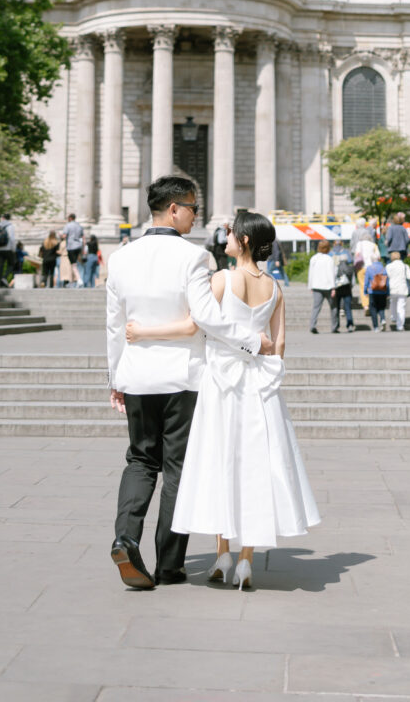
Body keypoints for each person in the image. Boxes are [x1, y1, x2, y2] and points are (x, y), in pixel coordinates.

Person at [126, 208, 319, 591]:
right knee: (254, 466)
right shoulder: (276, 287)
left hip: (221, 383)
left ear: (243, 240)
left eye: (229, 232)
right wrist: (264, 367)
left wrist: (143, 331)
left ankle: (221, 554)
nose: (224, 237)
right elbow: (278, 344)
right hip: (259, 386)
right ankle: (246, 560)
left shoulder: (222, 279)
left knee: (219, 460)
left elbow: (196, 324)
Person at [104, 175, 275, 590]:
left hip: (138, 375)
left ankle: (126, 537)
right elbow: (207, 317)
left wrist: (116, 376)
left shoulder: (121, 257)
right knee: (179, 468)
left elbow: (114, 325)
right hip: (183, 377)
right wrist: (254, 341)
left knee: (141, 460)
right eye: (194, 208)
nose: (197, 216)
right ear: (175, 209)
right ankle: (169, 564)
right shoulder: (195, 257)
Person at [307, 239, 339, 334]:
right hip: (328, 286)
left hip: (316, 286)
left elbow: (310, 273)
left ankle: (312, 325)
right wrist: (334, 287)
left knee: (316, 307)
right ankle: (334, 326)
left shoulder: (314, 258)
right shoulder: (329, 259)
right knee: (333, 307)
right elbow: (331, 274)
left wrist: (310, 286)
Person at [385, 250, 410, 331]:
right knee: (401, 307)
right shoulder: (404, 266)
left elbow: (386, 276)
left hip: (392, 288)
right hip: (402, 288)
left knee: (392, 303)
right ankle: (400, 326)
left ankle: (394, 317)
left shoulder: (388, 266)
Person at [354, 227, 380, 311]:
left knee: (362, 286)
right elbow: (378, 257)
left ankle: (366, 305)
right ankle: (373, 303)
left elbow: (357, 254)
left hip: (361, 267)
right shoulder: (374, 245)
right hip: (372, 268)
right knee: (372, 286)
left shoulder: (359, 244)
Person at [363, 253, 389, 330]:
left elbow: (366, 281)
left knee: (373, 308)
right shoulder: (384, 268)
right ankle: (383, 319)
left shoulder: (369, 268)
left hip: (372, 291)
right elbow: (387, 281)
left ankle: (376, 327)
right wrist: (388, 292)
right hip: (382, 291)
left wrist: (365, 291)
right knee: (381, 307)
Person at [333, 242, 356, 332]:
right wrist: (351, 286)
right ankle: (349, 324)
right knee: (348, 307)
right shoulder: (349, 267)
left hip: (337, 287)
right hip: (347, 288)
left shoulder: (335, 266)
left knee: (337, 307)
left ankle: (336, 325)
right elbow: (353, 279)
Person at [0, 213, 17, 288]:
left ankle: (0, 281)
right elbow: (12, 238)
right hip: (8, 248)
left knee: (0, 265)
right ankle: (4, 277)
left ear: (3, 218)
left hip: (0, 248)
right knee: (12, 264)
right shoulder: (10, 226)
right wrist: (14, 249)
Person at [63, 213, 85, 286]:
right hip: (78, 246)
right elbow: (83, 238)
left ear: (70, 218)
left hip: (71, 246)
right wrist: (83, 249)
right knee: (77, 264)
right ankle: (75, 280)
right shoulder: (79, 226)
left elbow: (64, 236)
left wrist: (60, 235)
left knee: (73, 265)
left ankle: (79, 279)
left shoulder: (68, 225)